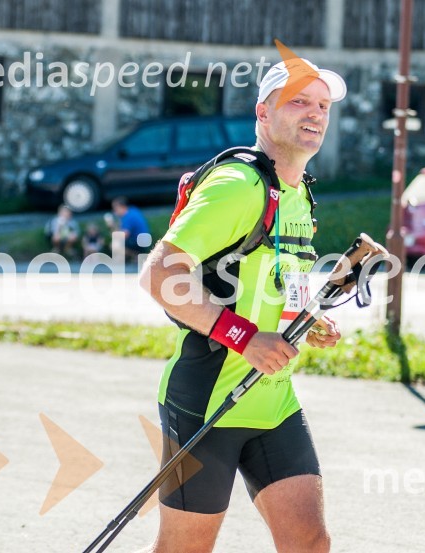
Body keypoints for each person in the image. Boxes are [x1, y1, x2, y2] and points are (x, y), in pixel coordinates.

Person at [138, 59, 347, 553]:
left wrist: (306, 321)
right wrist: (246, 338)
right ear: (263, 111)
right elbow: (160, 274)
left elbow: (272, 283)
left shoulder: (297, 195)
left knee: (309, 543)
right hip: (208, 399)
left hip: (272, 401)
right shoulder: (238, 185)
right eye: (299, 101)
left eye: (323, 105)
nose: (315, 113)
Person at [105, 197, 151, 261]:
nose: (114, 212)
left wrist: (111, 227)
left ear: (121, 207)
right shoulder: (133, 210)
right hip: (146, 239)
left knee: (114, 245)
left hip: (139, 242)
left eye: (115, 209)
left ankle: (136, 256)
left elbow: (122, 236)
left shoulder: (128, 217)